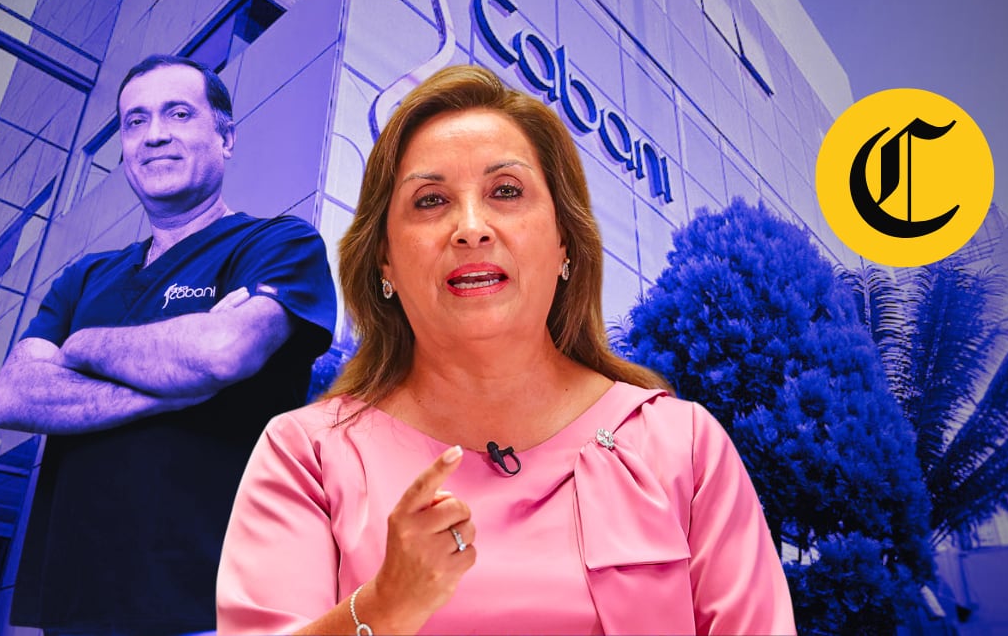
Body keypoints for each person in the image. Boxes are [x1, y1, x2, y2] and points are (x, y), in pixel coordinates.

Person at [216, 65, 795, 634]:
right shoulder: (307, 455)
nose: (471, 228)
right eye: (430, 200)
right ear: (384, 261)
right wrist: (383, 608)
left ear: (565, 241)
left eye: (507, 192)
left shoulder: (683, 446)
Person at [0, 54, 336, 636]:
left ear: (225, 138)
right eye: (135, 121)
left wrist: (82, 346)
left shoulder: (277, 244)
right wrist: (177, 387)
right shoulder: (84, 277)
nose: (154, 135)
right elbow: (11, 396)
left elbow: (222, 351)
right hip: (73, 611)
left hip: (218, 607)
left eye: (178, 113)